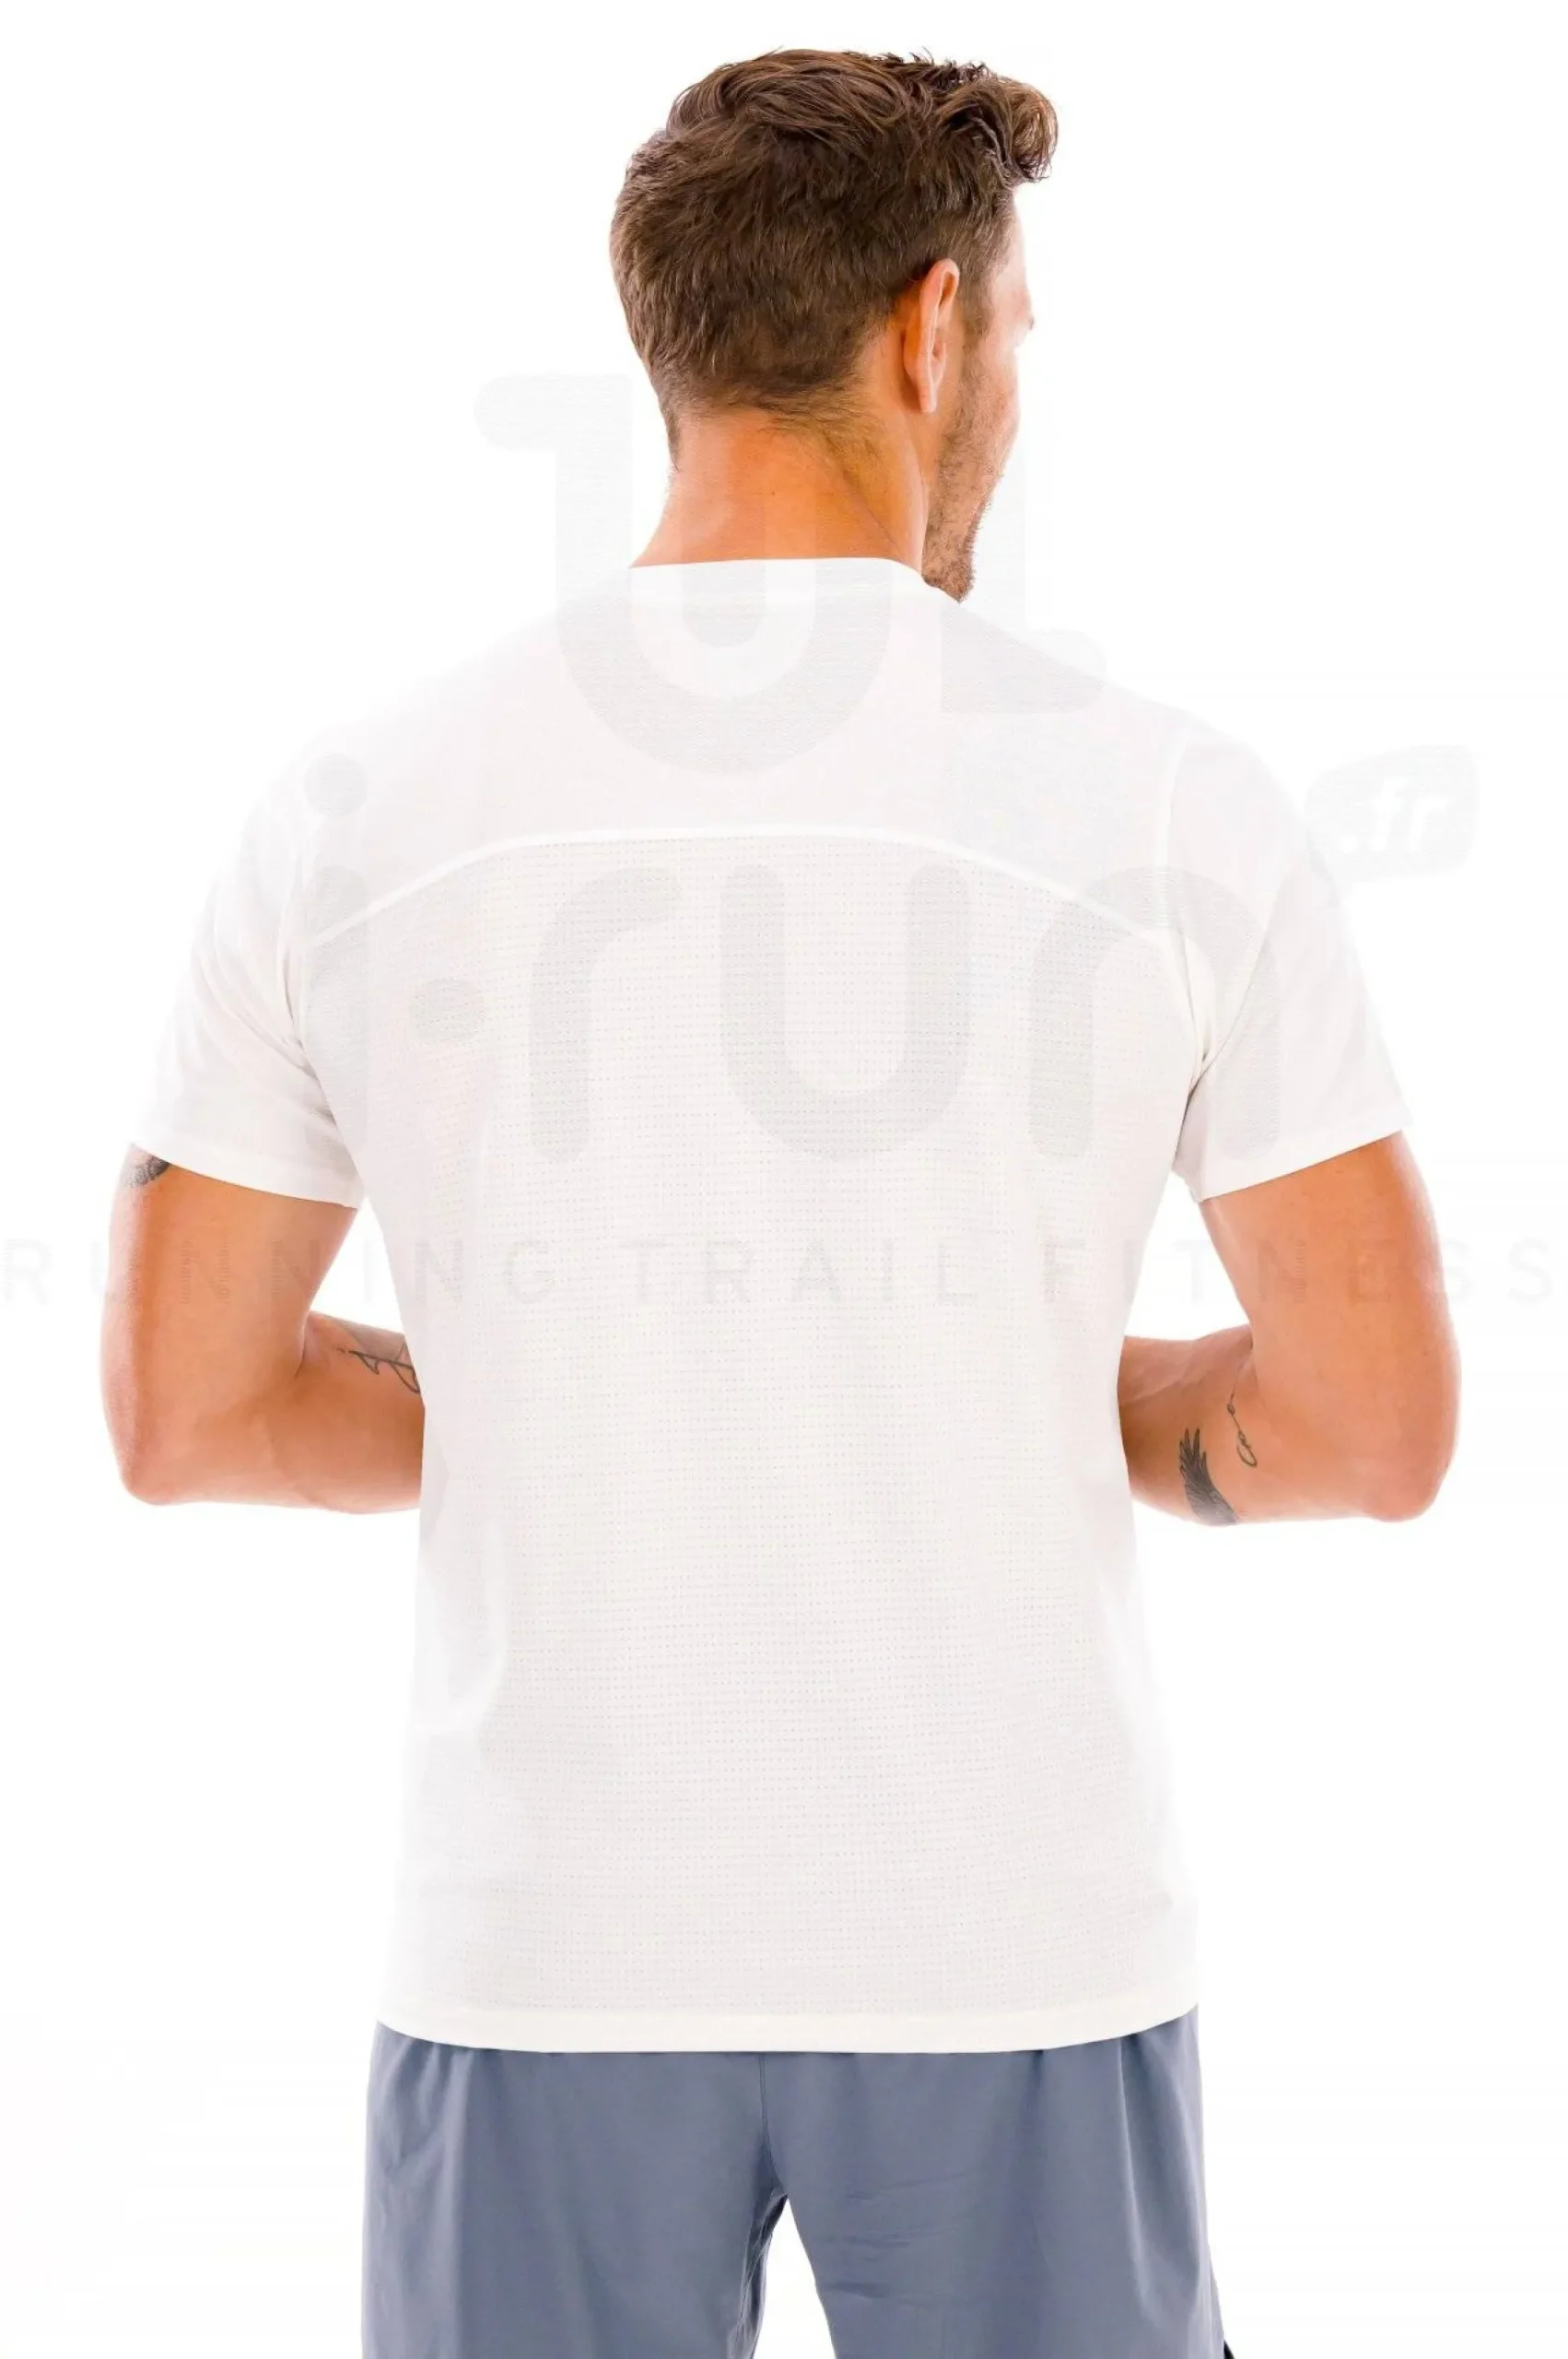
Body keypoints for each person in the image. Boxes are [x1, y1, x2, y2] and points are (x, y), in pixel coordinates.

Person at [99, 48, 1458, 2359]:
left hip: (535, 1952)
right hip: (1012, 1948)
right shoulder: (1166, 805)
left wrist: (593, 1384)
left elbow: (188, 1408)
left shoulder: (354, 809)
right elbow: (1369, 1424)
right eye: (1013, 333)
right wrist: (999, 1380)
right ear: (929, 329)